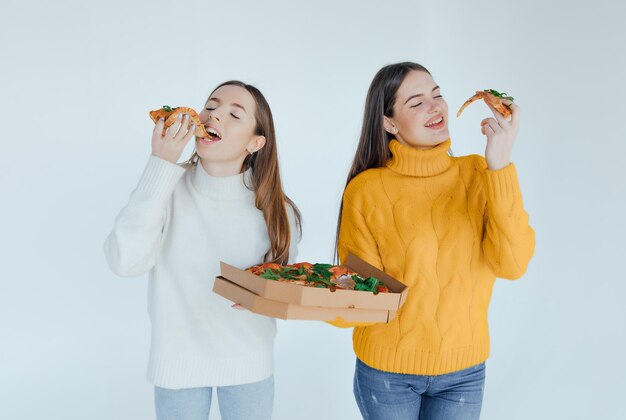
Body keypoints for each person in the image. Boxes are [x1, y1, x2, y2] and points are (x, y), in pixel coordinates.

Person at [331, 62, 535, 419]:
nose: (435, 106)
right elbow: (362, 293)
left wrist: (500, 163)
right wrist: (305, 299)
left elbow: (513, 264)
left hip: (464, 371)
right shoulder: (366, 190)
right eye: (416, 102)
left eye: (437, 95)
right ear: (388, 123)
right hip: (387, 372)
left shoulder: (479, 174)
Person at [104, 80, 301, 420]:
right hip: (177, 366)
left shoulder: (277, 210)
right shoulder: (165, 186)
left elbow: (282, 292)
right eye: (211, 106)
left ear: (256, 142)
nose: (214, 116)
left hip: (249, 365)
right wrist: (160, 164)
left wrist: (265, 296)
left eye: (234, 114)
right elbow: (124, 261)